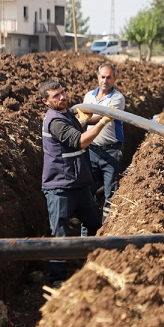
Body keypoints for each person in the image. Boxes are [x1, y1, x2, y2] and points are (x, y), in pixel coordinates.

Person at [40, 79, 106, 286]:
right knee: (60, 233)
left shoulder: (67, 113)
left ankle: (93, 261)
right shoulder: (55, 121)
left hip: (78, 183)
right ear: (46, 101)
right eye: (56, 96)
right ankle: (57, 279)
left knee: (95, 224)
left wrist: (88, 119)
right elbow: (80, 141)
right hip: (60, 187)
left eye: (62, 92)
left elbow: (78, 125)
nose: (62, 97)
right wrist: (103, 123)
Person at [81, 63, 126, 223]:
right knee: (88, 188)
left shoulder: (117, 98)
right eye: (102, 77)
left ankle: (106, 230)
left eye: (109, 77)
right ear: (97, 77)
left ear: (114, 79)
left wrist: (86, 118)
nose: (105, 80)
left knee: (111, 192)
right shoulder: (88, 97)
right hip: (92, 151)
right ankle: (90, 224)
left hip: (112, 152)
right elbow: (83, 117)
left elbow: (104, 116)